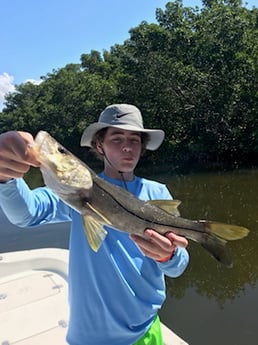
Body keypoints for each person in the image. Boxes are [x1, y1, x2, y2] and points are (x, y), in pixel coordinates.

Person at [0, 104, 189, 345]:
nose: (127, 147)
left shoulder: (157, 192)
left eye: (135, 139)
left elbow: (178, 267)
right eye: (117, 138)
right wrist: (5, 175)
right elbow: (26, 214)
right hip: (91, 336)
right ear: (99, 145)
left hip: (146, 328)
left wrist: (169, 256)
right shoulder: (72, 194)